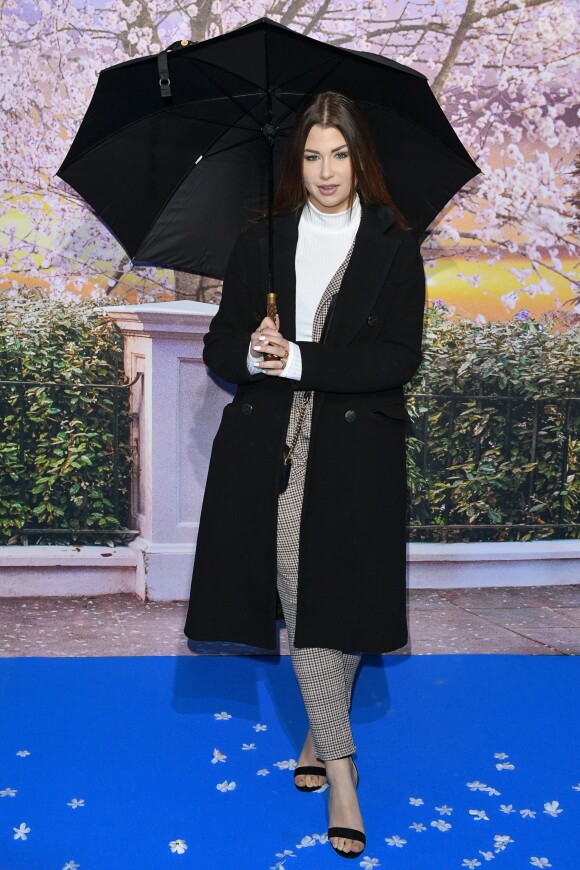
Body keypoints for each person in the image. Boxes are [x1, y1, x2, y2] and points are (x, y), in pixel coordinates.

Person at [184, 90, 426, 859]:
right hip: (274, 455)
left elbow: (398, 359)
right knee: (301, 587)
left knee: (343, 596)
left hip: (357, 456)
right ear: (299, 163)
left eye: (340, 154)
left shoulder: (394, 245)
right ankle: (346, 772)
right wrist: (255, 352)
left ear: (361, 160)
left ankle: (320, 739)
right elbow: (223, 347)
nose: (326, 171)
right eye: (312, 156)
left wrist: (304, 360)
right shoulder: (261, 243)